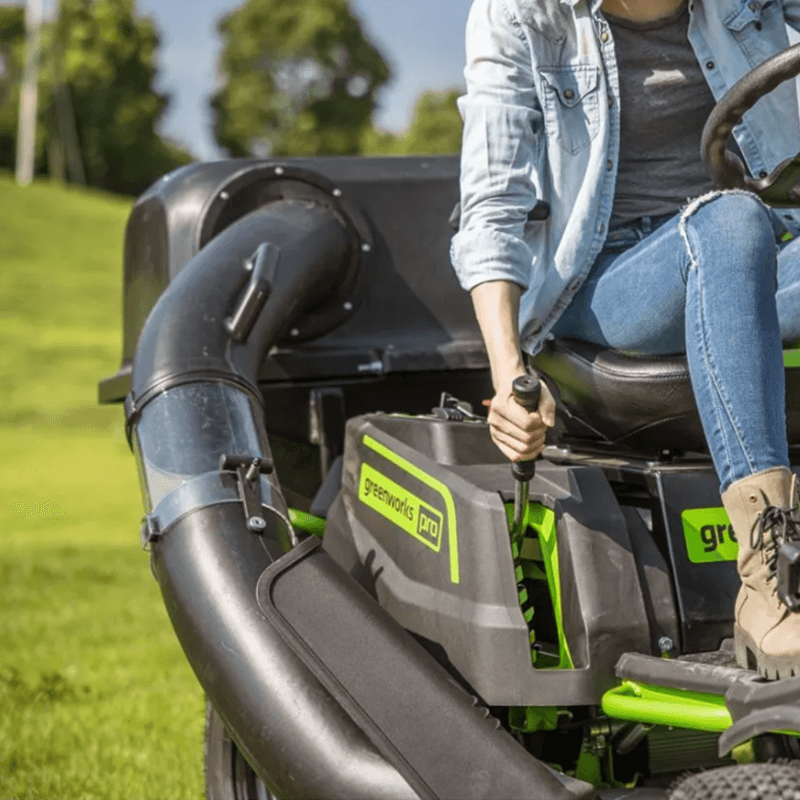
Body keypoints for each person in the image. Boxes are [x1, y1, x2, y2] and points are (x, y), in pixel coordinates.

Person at [451, 0, 800, 677]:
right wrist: (509, 373)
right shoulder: (519, 15)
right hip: (609, 279)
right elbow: (492, 211)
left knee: (740, 227)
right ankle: (771, 579)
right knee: (729, 223)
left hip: (759, 249)